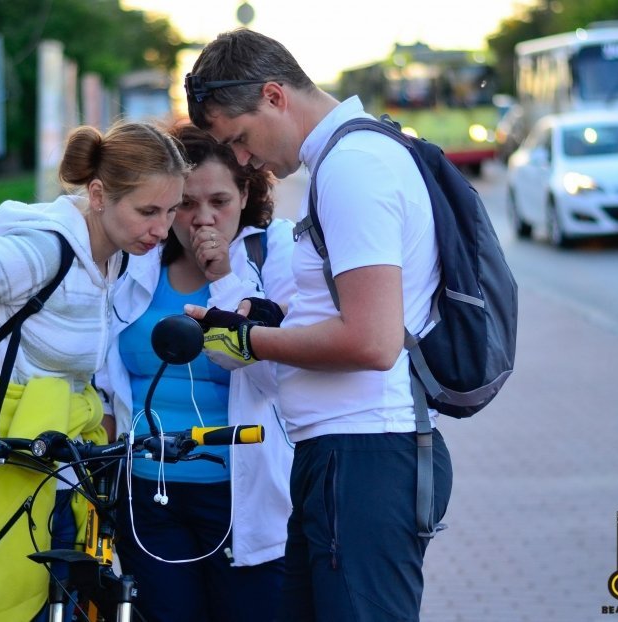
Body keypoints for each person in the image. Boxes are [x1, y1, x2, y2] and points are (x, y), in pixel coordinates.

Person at [182, 29, 453, 622]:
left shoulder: (352, 168)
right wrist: (276, 320)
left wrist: (249, 338)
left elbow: (372, 341)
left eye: (241, 140)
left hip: (363, 455)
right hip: (342, 455)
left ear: (275, 96)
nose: (246, 160)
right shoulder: (348, 159)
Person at [0, 121, 188, 621]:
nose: (160, 229)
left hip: (66, 465)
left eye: (171, 210)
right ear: (98, 194)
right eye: (148, 211)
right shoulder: (42, 253)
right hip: (7, 460)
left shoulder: (115, 257)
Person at [95, 122, 296, 622]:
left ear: (247, 193)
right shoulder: (133, 262)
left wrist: (223, 280)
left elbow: (275, 376)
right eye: (185, 202)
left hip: (239, 494)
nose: (202, 219)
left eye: (220, 201)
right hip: (147, 488)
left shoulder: (275, 256)